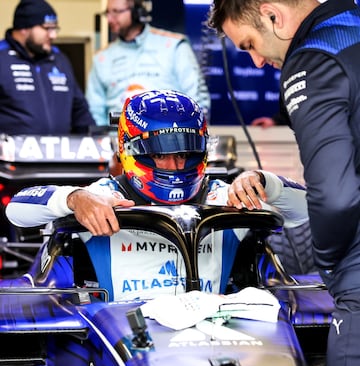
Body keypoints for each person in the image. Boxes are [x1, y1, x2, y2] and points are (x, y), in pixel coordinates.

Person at [208, 0, 360, 366]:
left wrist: (330, 264)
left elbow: (335, 197)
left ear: (273, 14)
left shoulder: (311, 59)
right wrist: (271, 186)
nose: (257, 61)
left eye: (251, 44)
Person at [5, 89, 308, 301]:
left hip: (215, 335)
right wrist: (73, 198)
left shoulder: (224, 197)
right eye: (160, 155)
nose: (174, 166)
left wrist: (263, 182)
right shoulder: (102, 196)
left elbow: (308, 209)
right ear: (130, 150)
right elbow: (16, 209)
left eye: (186, 154)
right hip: (123, 343)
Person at [86, 0, 211, 126]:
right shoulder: (101, 58)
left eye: (116, 12)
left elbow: (197, 102)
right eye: (107, 13)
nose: (110, 19)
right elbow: (94, 113)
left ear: (137, 12)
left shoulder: (173, 46)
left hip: (170, 140)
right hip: (117, 141)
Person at [0, 0, 95, 135]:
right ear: (24, 28)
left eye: (55, 28)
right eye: (47, 28)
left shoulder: (60, 60)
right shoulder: (2, 58)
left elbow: (80, 112)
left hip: (60, 154)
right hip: (10, 155)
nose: (53, 35)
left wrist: (96, 142)